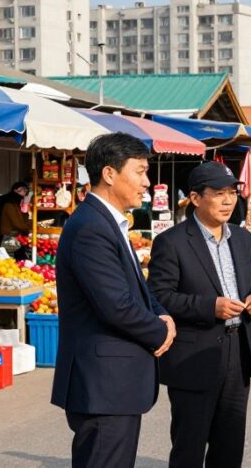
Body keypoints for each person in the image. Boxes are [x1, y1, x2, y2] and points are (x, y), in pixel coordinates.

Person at [51, 133, 176, 468]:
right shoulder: (91, 226)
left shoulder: (108, 221)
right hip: (103, 385)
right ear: (109, 173)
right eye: (140, 171)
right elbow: (116, 304)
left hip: (114, 385)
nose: (146, 182)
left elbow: (137, 288)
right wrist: (160, 332)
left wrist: (162, 314)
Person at [149, 161, 251, 468]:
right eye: (218, 193)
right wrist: (209, 307)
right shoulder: (171, 242)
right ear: (195, 198)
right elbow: (158, 297)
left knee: (230, 445)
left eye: (232, 193)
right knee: (189, 446)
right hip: (193, 356)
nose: (228, 201)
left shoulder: (241, 238)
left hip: (238, 351)